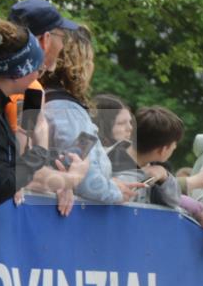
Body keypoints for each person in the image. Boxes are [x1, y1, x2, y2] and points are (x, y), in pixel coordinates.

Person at [0, 17, 88, 211]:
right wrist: (38, 154)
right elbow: (0, 188)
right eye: (37, 70)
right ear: (18, 73)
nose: (38, 77)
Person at [40, 25, 140, 204]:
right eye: (91, 59)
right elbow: (83, 175)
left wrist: (110, 184)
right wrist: (116, 193)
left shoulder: (43, 98)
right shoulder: (69, 112)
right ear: (81, 64)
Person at [115, 106, 203, 255]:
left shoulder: (154, 169)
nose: (174, 149)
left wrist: (164, 177)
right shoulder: (113, 164)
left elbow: (174, 200)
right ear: (163, 150)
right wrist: (144, 176)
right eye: (174, 146)